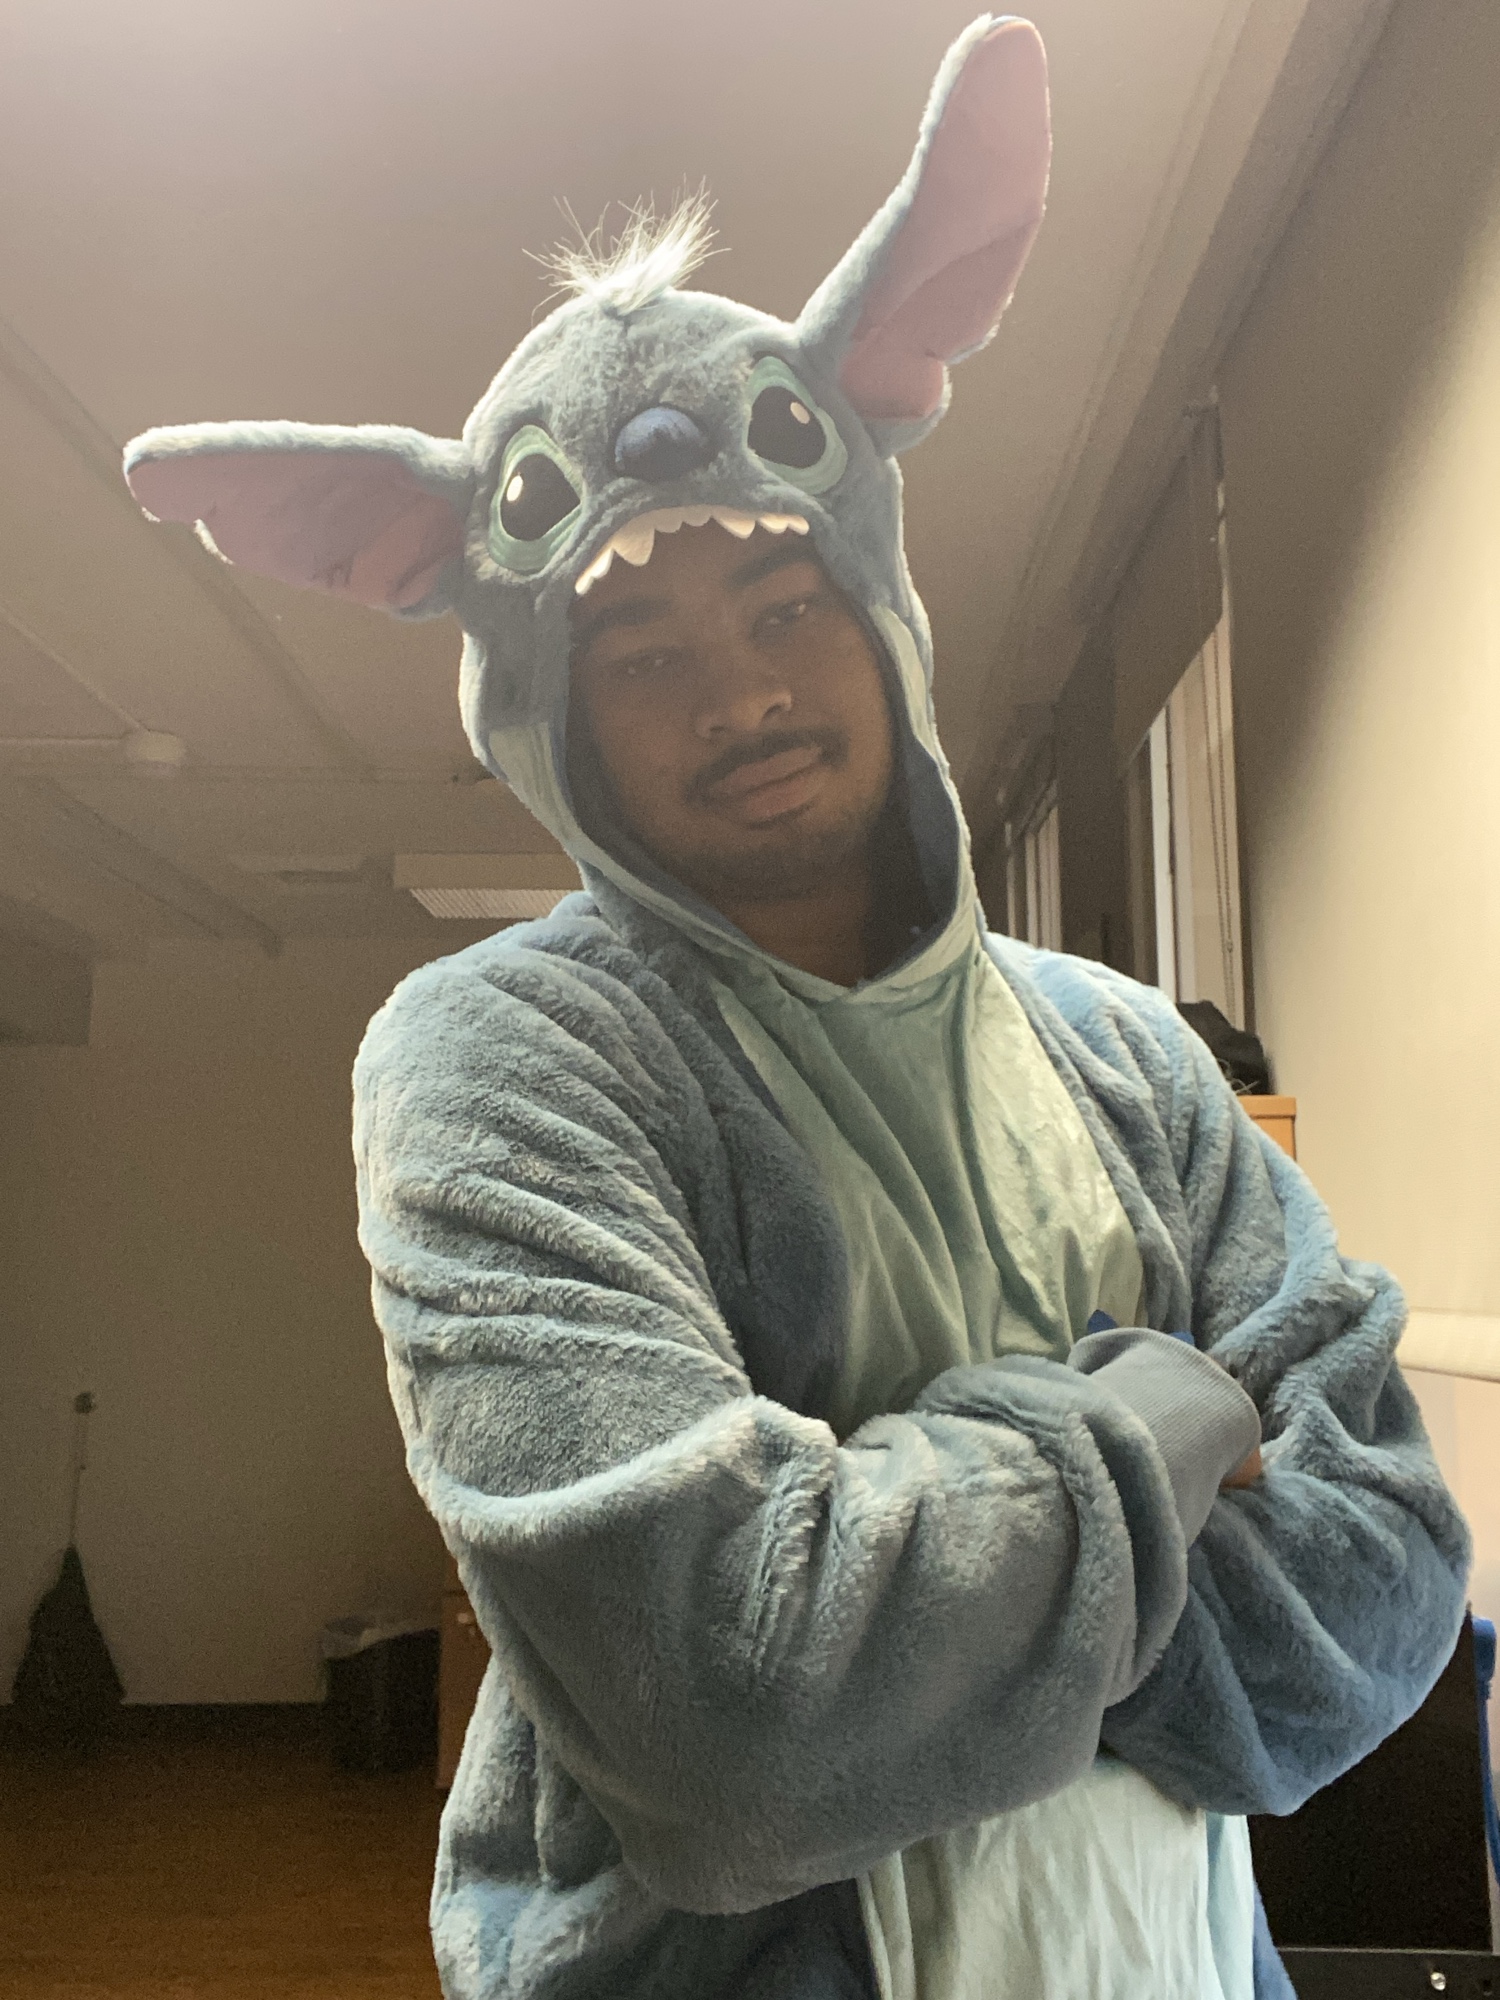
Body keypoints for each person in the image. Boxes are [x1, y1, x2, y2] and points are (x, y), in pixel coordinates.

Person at [122, 18, 1468, 1999]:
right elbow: (724, 1709)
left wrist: (907, 1544)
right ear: (553, 711)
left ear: (876, 607)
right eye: (644, 653)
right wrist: (1163, 1422)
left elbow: (1388, 1574)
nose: (740, 692)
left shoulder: (1129, 1053)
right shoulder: (506, 1056)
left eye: (780, 610)